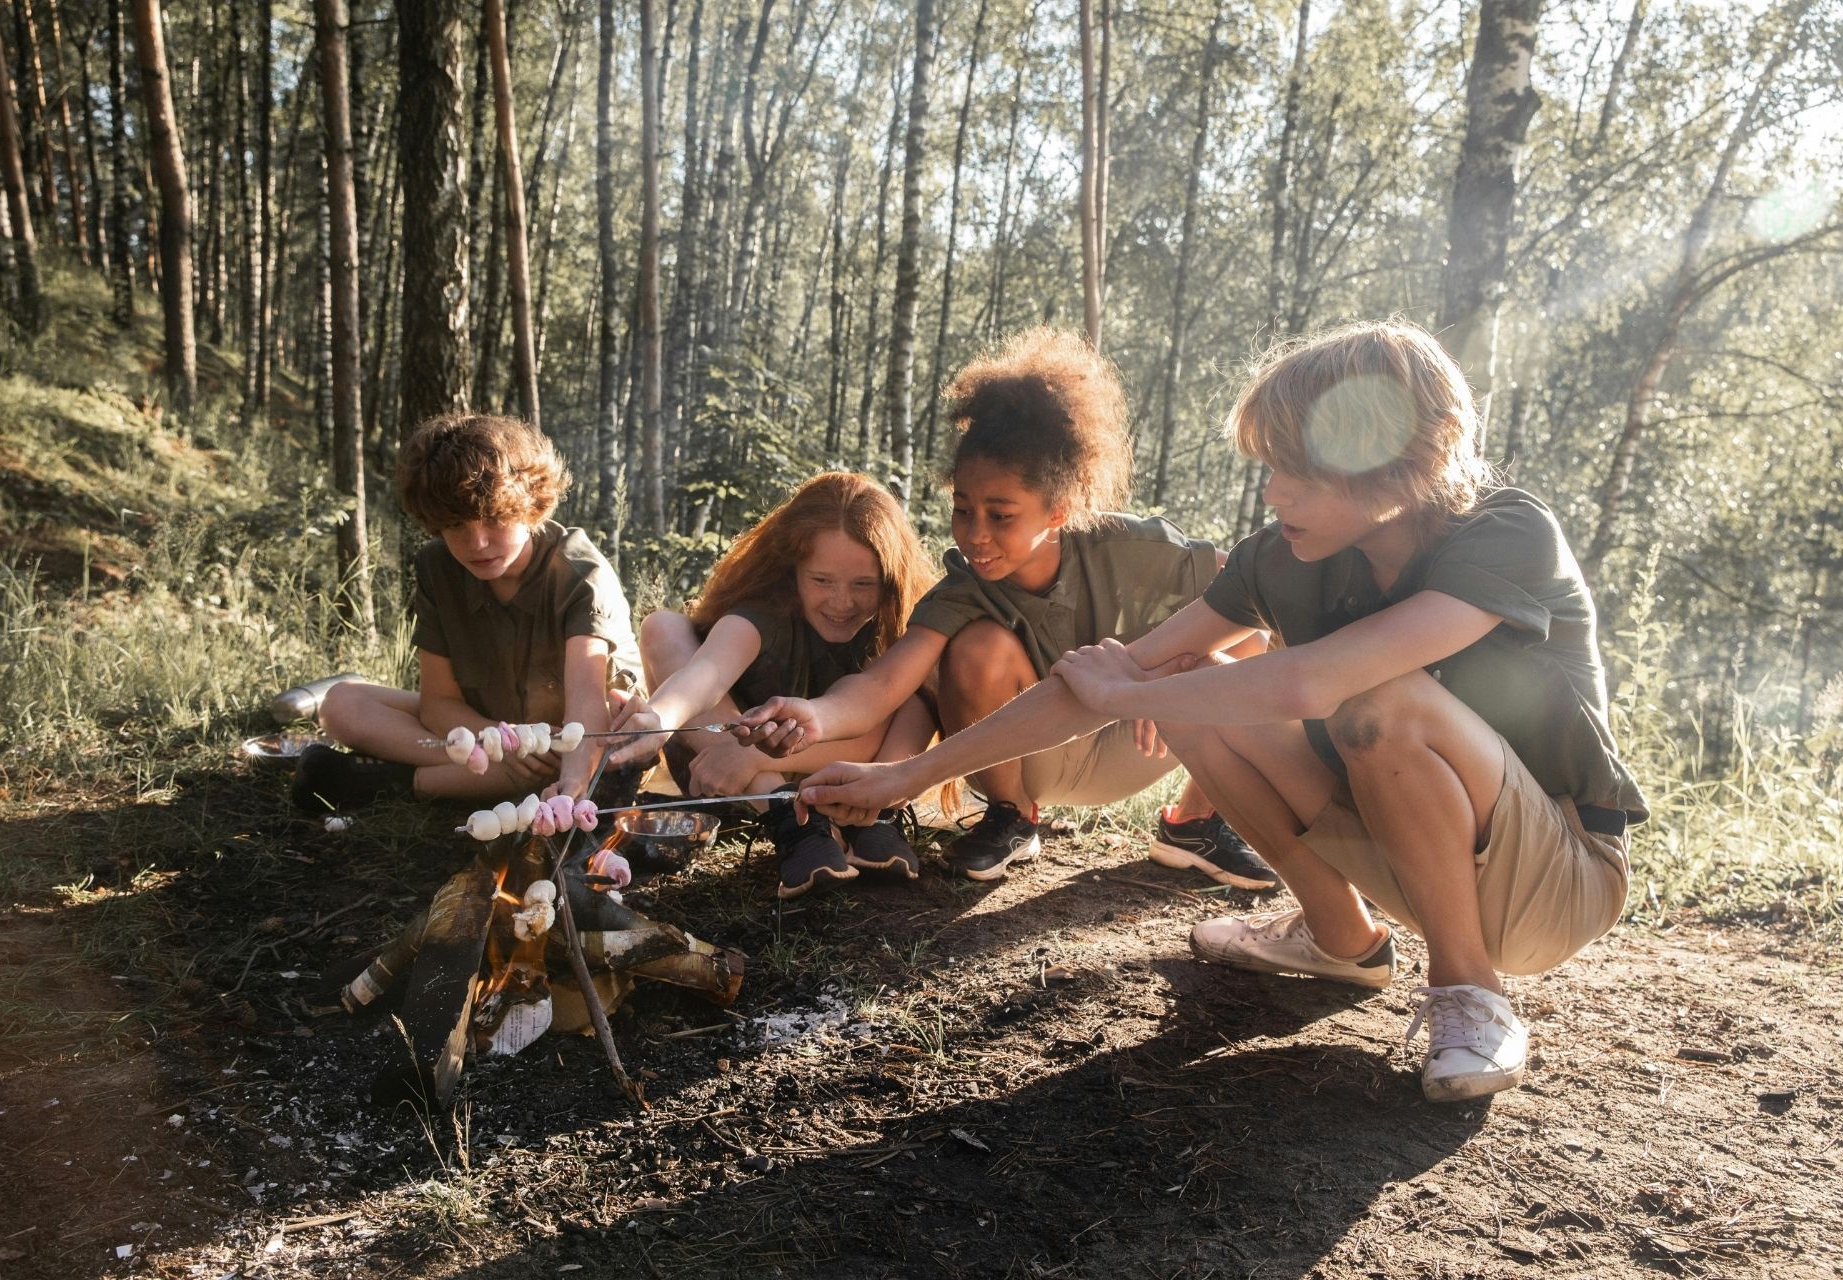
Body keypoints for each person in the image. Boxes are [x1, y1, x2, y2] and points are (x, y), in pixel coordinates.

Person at [791, 321, 1643, 1102]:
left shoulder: (1504, 531)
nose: (1271, 493)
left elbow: (1312, 682)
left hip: (1555, 878)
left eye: (1294, 470)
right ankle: (1341, 938)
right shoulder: (1286, 557)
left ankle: (1472, 996)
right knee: (1203, 687)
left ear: (1394, 460)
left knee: (1381, 704)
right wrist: (903, 774)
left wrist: (1132, 694)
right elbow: (1103, 678)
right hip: (1408, 852)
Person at [733, 328, 1274, 887]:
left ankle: (1195, 823)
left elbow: (1255, 602)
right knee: (976, 647)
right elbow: (880, 687)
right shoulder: (963, 590)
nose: (976, 535)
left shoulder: (1134, 550)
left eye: (1001, 515)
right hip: (1025, 750)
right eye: (962, 510)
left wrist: (1167, 676)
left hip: (1135, 743)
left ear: (1059, 511)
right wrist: (813, 715)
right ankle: (1012, 817)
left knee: (1241, 652)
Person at [605, 472, 938, 899]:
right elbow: (706, 674)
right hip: (721, 770)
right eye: (821, 581)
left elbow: (869, 730)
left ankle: (875, 818)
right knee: (662, 626)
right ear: (792, 569)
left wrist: (752, 758)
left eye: (863, 584)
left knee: (920, 685)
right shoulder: (764, 611)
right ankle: (792, 821)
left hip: (836, 774)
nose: (841, 602)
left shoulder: (891, 626)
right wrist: (659, 718)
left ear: (889, 580)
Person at [292, 413, 642, 814]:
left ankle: (389, 782)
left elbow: (586, 709)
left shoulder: (581, 575)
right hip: (492, 730)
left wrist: (571, 787)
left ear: (531, 506)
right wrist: (500, 742)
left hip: (576, 742)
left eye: (495, 519)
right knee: (340, 704)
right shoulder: (437, 567)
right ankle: (461, 775)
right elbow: (438, 704)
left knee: (551, 764)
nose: (477, 542)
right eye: (456, 524)